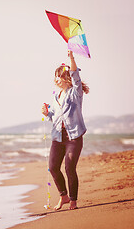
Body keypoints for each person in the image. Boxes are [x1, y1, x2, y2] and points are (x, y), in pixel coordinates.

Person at [41, 50, 89, 210]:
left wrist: (71, 58)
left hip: (73, 137)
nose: (56, 79)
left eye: (60, 76)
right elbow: (54, 117)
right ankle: (64, 196)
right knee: (53, 167)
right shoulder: (56, 97)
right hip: (57, 137)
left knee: (69, 167)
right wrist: (47, 113)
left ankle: (74, 200)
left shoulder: (75, 93)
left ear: (67, 79)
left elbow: (76, 76)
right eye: (55, 76)